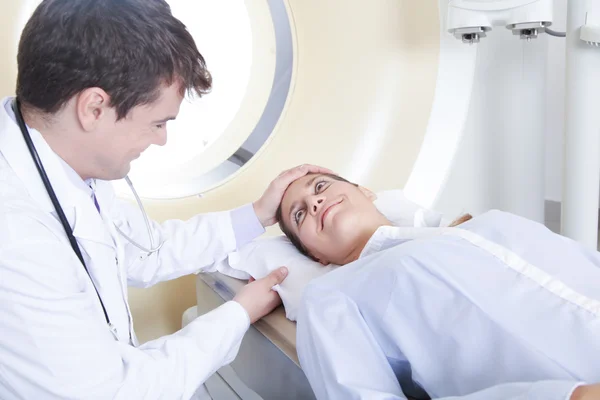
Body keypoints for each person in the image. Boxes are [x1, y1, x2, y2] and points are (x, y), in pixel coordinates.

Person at [0, 1, 331, 398]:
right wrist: (238, 313)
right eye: (157, 123)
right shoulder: (17, 237)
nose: (161, 139)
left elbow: (144, 251)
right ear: (94, 108)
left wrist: (258, 214)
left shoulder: (65, 164)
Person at [277, 172, 600, 400]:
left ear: (365, 191)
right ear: (314, 255)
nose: (316, 201)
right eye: (300, 214)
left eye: (320, 186)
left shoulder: (494, 222)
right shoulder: (332, 295)